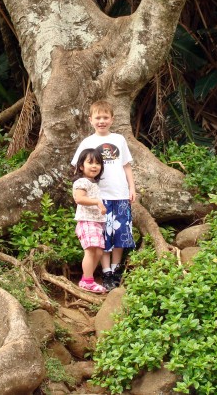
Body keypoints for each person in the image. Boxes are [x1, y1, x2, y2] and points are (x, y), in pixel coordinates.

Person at [71, 100, 136, 291]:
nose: (102, 121)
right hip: (100, 196)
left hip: (121, 194)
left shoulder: (119, 139)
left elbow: (126, 165)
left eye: (105, 117)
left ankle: (116, 269)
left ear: (112, 119)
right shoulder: (88, 142)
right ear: (90, 120)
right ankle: (106, 271)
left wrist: (132, 188)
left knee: (121, 234)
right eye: (98, 117)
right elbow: (78, 165)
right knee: (105, 236)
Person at [73, 148, 107, 294]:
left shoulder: (93, 183)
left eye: (98, 163)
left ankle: (86, 279)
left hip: (95, 223)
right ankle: (88, 281)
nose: (94, 166)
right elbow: (79, 198)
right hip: (86, 221)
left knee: (99, 252)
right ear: (81, 166)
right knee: (91, 251)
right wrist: (98, 203)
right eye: (90, 162)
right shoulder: (82, 181)